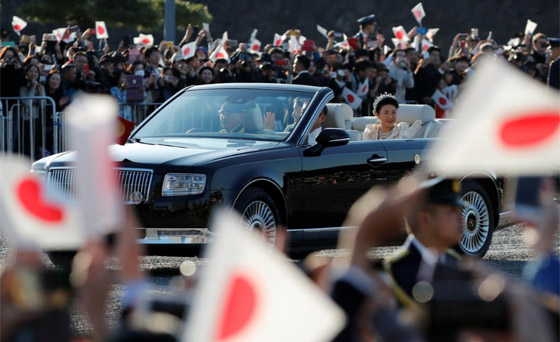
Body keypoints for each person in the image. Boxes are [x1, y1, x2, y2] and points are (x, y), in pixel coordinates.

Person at [383, 178, 464, 308]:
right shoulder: (394, 270)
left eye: (460, 210)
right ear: (424, 218)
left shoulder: (456, 263)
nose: (461, 217)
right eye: (451, 211)